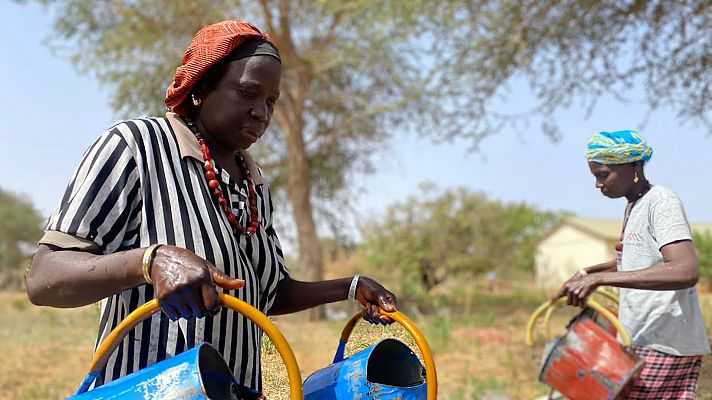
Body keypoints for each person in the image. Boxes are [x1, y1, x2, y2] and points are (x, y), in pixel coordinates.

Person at [25, 20, 397, 394]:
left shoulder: (253, 185)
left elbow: (263, 294)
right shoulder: (138, 147)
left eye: (270, 101)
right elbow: (44, 279)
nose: (262, 113)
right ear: (202, 88)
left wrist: (350, 287)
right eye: (248, 93)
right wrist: (151, 262)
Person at [554, 130, 710, 398]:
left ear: (634, 167)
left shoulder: (661, 201)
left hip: (665, 341)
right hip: (640, 336)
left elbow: (685, 269)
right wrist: (586, 274)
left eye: (603, 175)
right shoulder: (634, 206)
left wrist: (599, 280)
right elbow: (634, 261)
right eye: (595, 176)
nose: (597, 184)